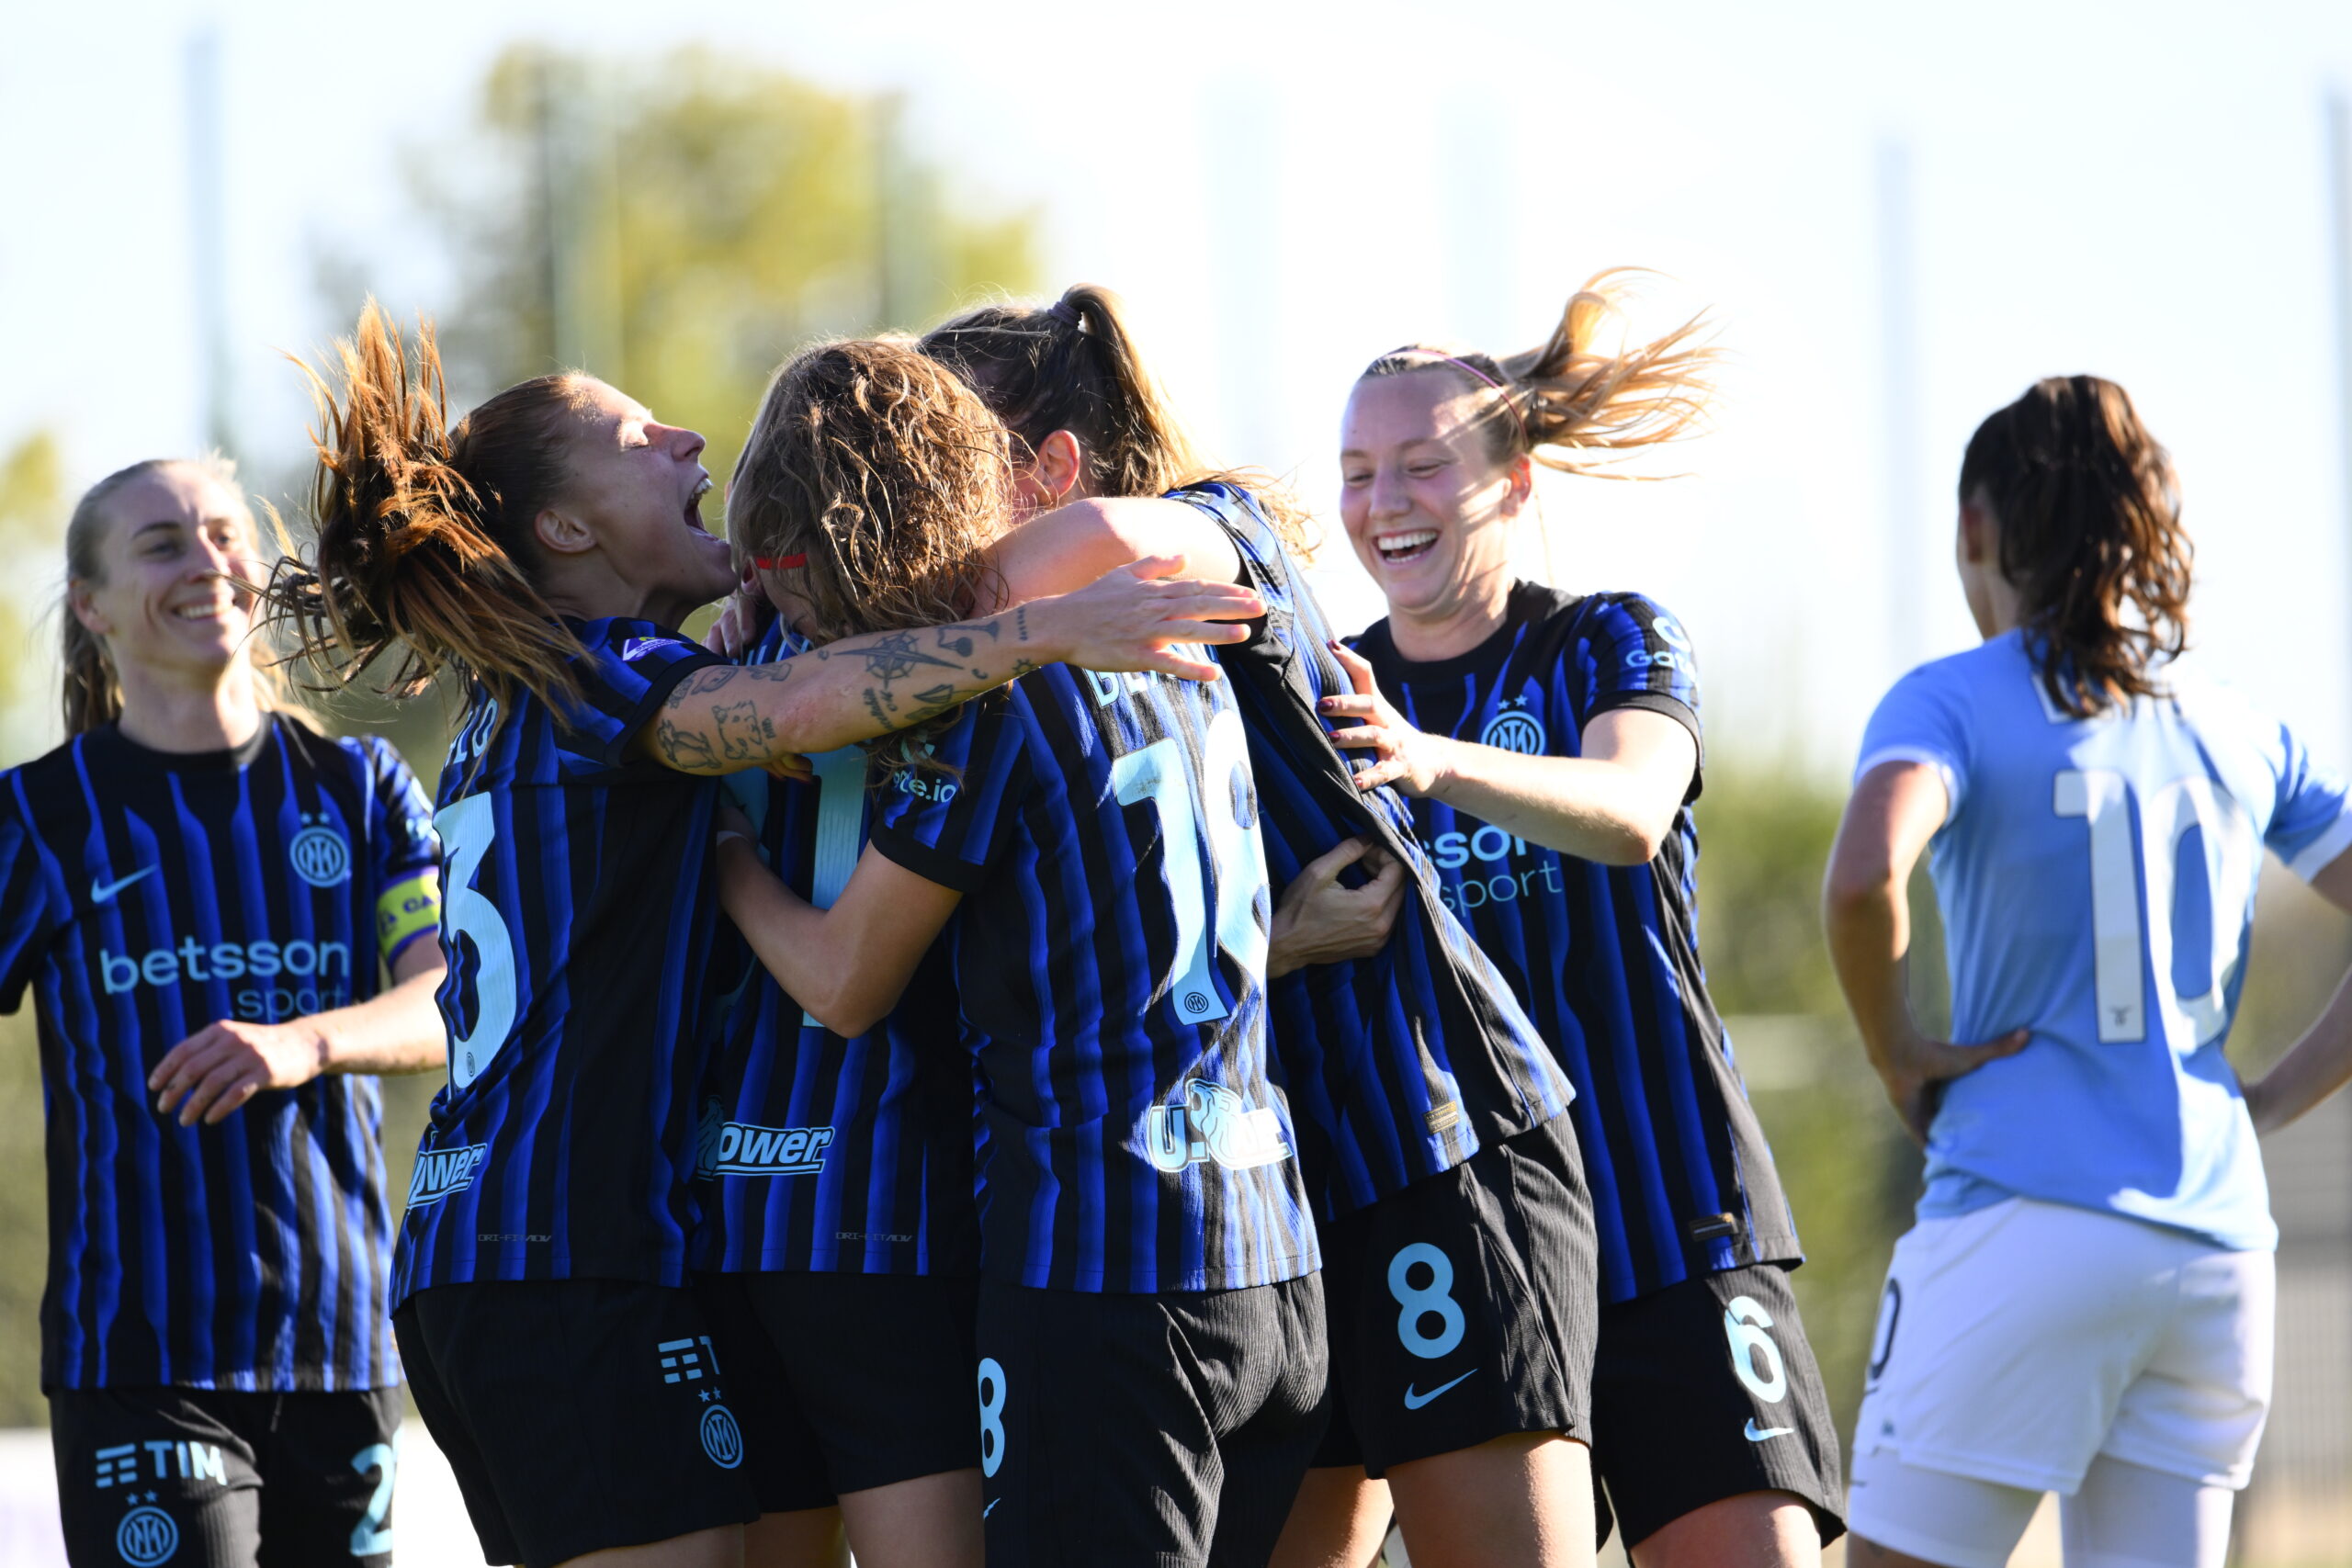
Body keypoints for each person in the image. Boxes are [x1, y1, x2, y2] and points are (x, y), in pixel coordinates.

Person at [271, 305, 1267, 1568]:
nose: (686, 437)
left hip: (501, 1250)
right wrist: (1040, 630)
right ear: (567, 530)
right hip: (567, 1257)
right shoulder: (604, 677)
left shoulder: (527, 691)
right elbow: (797, 711)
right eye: (636, 437)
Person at [922, 288, 1604, 1568]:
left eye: (938, 465)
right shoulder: (1036, 672)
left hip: (1430, 1130)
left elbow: (1110, 536)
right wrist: (1273, 944)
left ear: (1051, 469)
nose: (917, 506)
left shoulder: (1209, 529)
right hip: (1268, 1200)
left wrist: (849, 608)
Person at [713, 336, 1326, 1568]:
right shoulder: (1164, 625)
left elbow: (844, 981)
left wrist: (721, 842)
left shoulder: (987, 685)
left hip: (1105, 1268)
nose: (800, 627)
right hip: (1272, 1253)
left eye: (797, 588)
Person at [1325, 276, 1845, 1567]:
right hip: (1465, 1244)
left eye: (1422, 465)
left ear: (1514, 483)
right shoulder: (1325, 693)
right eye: (1357, 472)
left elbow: (1631, 808)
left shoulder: (1608, 641)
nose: (1385, 502)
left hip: (1667, 1215)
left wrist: (1430, 761)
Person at [1823, 375, 2352, 1568]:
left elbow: (1861, 879)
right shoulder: (2235, 721)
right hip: (2216, 1248)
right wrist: (2266, 1100)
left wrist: (1896, 1051)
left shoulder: (1951, 698)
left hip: (2020, 1213)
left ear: (1975, 527)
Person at [4, 456, 447, 1568]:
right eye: (161, 544)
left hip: (343, 1348)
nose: (205, 561)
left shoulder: (360, 789)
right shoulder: (42, 816)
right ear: (93, 606)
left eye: (221, 533)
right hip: (140, 1355)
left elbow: (452, 1000)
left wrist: (304, 1043)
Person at [688, 605, 982, 1568]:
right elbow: (848, 987)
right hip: (877, 1216)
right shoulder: (960, 645)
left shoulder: (708, 666)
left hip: (728, 1209)